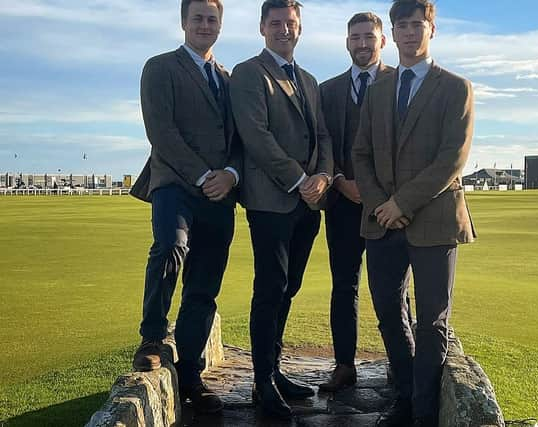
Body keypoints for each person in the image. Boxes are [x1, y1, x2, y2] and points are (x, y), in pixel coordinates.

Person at [351, 0, 476, 425]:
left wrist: (402, 203)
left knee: (431, 322)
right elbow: (361, 153)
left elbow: (451, 160)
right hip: (382, 222)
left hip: (435, 221)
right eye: (401, 25)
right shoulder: (378, 88)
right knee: (388, 311)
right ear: (393, 31)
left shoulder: (456, 88)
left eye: (416, 24)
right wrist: (382, 205)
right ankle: (405, 396)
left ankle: (424, 412)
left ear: (431, 30)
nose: (408, 32)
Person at [129, 0, 240, 415]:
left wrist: (229, 173)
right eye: (198, 18)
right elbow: (162, 131)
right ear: (183, 23)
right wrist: (202, 175)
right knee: (171, 246)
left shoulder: (230, 79)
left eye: (213, 19)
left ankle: (190, 372)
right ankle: (152, 337)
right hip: (174, 182)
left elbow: (241, 139)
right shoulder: (159, 67)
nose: (205, 25)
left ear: (220, 26)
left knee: (205, 283)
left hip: (221, 192)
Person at [229, 0, 333, 419]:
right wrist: (299, 180)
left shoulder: (308, 79)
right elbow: (256, 135)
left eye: (291, 23)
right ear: (262, 28)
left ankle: (274, 369)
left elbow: (324, 136)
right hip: (272, 201)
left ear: (300, 28)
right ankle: (261, 382)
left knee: (289, 287)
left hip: (309, 204)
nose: (284, 30)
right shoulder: (249, 73)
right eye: (276, 23)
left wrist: (323, 178)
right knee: (270, 288)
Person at [318, 12, 395, 392]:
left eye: (369, 37)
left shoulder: (399, 83)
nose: (362, 44)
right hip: (341, 202)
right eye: (355, 37)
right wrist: (339, 181)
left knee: (393, 289)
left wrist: (378, 191)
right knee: (343, 286)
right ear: (346, 41)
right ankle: (344, 365)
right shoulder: (328, 90)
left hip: (388, 207)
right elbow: (321, 141)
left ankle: (400, 364)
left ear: (383, 41)